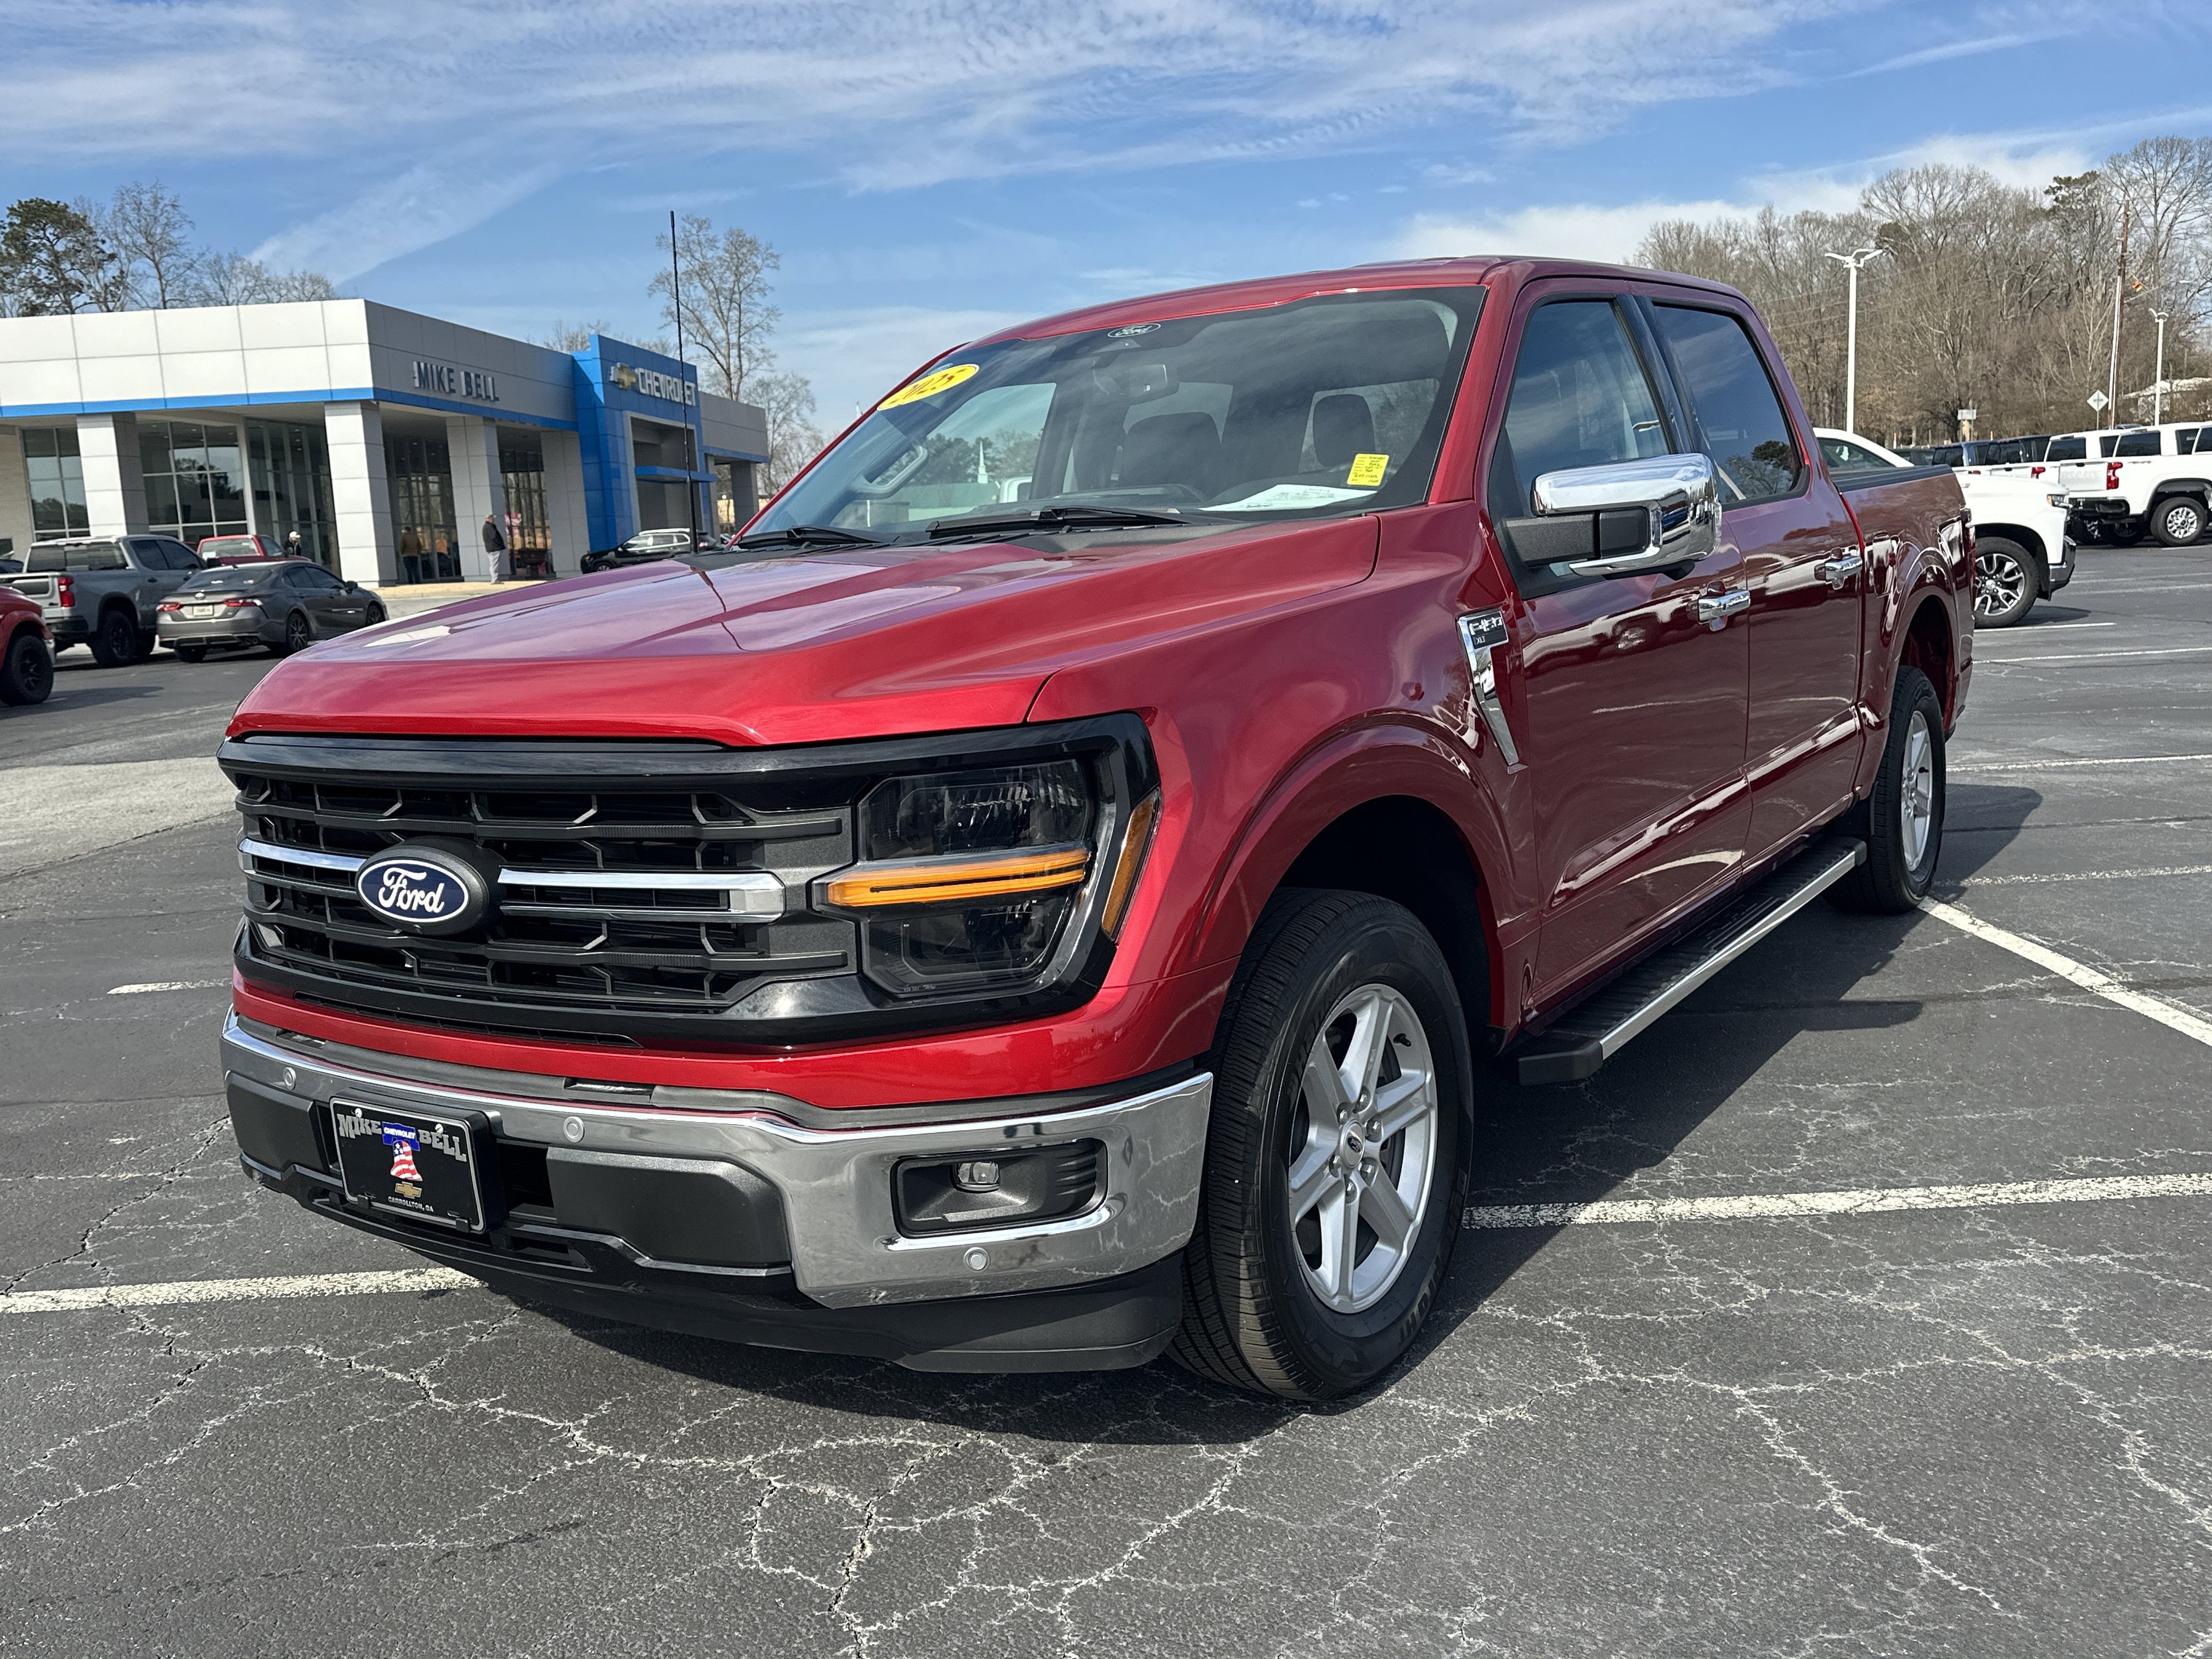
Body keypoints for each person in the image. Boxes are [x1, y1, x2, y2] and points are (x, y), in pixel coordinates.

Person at [482, 512, 507, 583]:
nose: (493, 520)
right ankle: (495, 579)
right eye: (492, 519)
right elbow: (494, 537)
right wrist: (499, 544)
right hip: (494, 548)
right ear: (490, 519)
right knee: (494, 564)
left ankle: (495, 579)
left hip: (491, 548)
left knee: (493, 564)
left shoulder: (486, 527)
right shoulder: (489, 527)